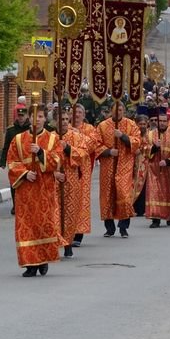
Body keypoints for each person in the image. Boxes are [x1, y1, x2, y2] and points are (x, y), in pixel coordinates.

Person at [6, 107, 63, 277]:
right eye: (33, 116)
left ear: (45, 119)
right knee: (27, 226)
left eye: (40, 116)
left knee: (44, 225)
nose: (36, 119)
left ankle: (43, 259)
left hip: (44, 189)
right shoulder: (18, 139)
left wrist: (40, 152)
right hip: (25, 190)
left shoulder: (53, 138)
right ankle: (30, 263)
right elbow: (12, 161)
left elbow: (57, 161)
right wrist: (24, 173)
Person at [96, 100, 141, 238]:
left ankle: (123, 226)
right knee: (107, 195)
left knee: (124, 194)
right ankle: (109, 227)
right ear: (111, 111)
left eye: (120, 110)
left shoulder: (130, 124)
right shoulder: (103, 126)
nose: (118, 112)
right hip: (108, 164)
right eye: (115, 110)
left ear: (123, 111)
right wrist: (108, 152)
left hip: (125, 164)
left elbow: (137, 141)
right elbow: (96, 144)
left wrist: (122, 136)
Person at [57, 109, 91, 257]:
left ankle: (68, 242)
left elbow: (83, 153)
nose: (64, 122)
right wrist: (54, 172)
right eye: (61, 119)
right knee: (55, 212)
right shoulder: (50, 137)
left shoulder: (76, 136)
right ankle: (55, 242)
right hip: (54, 180)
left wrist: (68, 148)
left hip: (71, 179)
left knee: (70, 212)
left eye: (66, 119)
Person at [145, 110, 170, 228]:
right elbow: (143, 148)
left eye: (164, 121)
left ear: (168, 122)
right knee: (154, 193)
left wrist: (167, 161)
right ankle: (155, 219)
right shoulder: (150, 134)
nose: (162, 123)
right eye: (160, 121)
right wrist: (154, 148)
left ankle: (169, 215)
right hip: (154, 169)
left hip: (169, 169)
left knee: (168, 193)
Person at [70, 103, 97, 247]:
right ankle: (66, 232)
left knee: (81, 201)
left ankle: (78, 235)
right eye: (75, 112)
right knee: (68, 200)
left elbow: (92, 145)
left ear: (84, 114)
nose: (77, 114)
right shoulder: (65, 129)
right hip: (68, 170)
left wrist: (77, 134)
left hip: (83, 171)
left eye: (80, 112)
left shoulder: (89, 129)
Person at [1, 107, 31, 215]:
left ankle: (27, 204)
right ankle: (15, 205)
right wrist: (2, 161)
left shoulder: (31, 129)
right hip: (14, 160)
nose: (21, 118)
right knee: (14, 182)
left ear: (27, 116)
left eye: (23, 116)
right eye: (19, 116)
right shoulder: (11, 130)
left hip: (27, 160)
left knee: (27, 183)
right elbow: (6, 147)